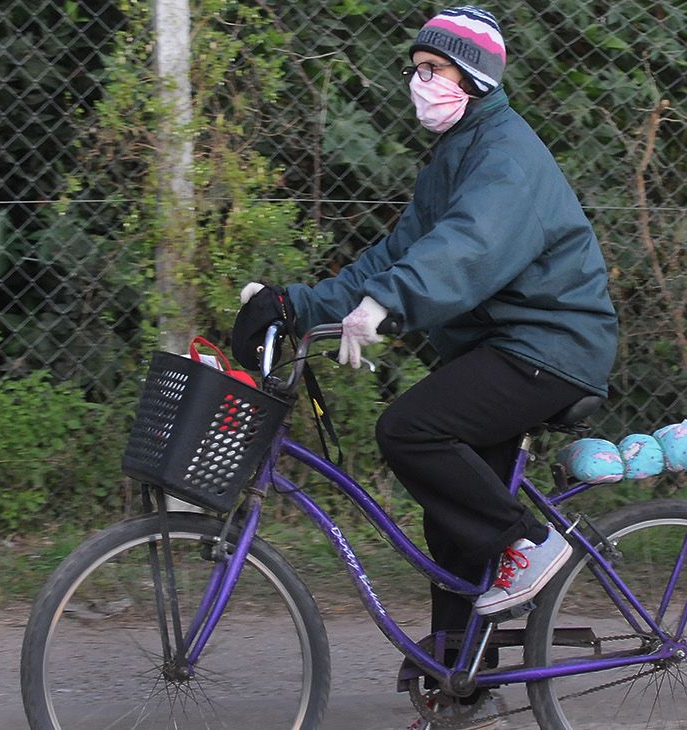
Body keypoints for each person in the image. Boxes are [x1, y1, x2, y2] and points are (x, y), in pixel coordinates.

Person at [233, 6, 618, 727]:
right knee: (452, 513)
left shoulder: (505, 156)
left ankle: (530, 546)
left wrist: (391, 304)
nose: (417, 83)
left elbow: (467, 248)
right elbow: (394, 254)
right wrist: (295, 304)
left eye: (431, 69)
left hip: (551, 348)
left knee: (410, 431)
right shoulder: (457, 154)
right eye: (415, 69)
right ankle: (459, 667)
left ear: (471, 78)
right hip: (505, 347)